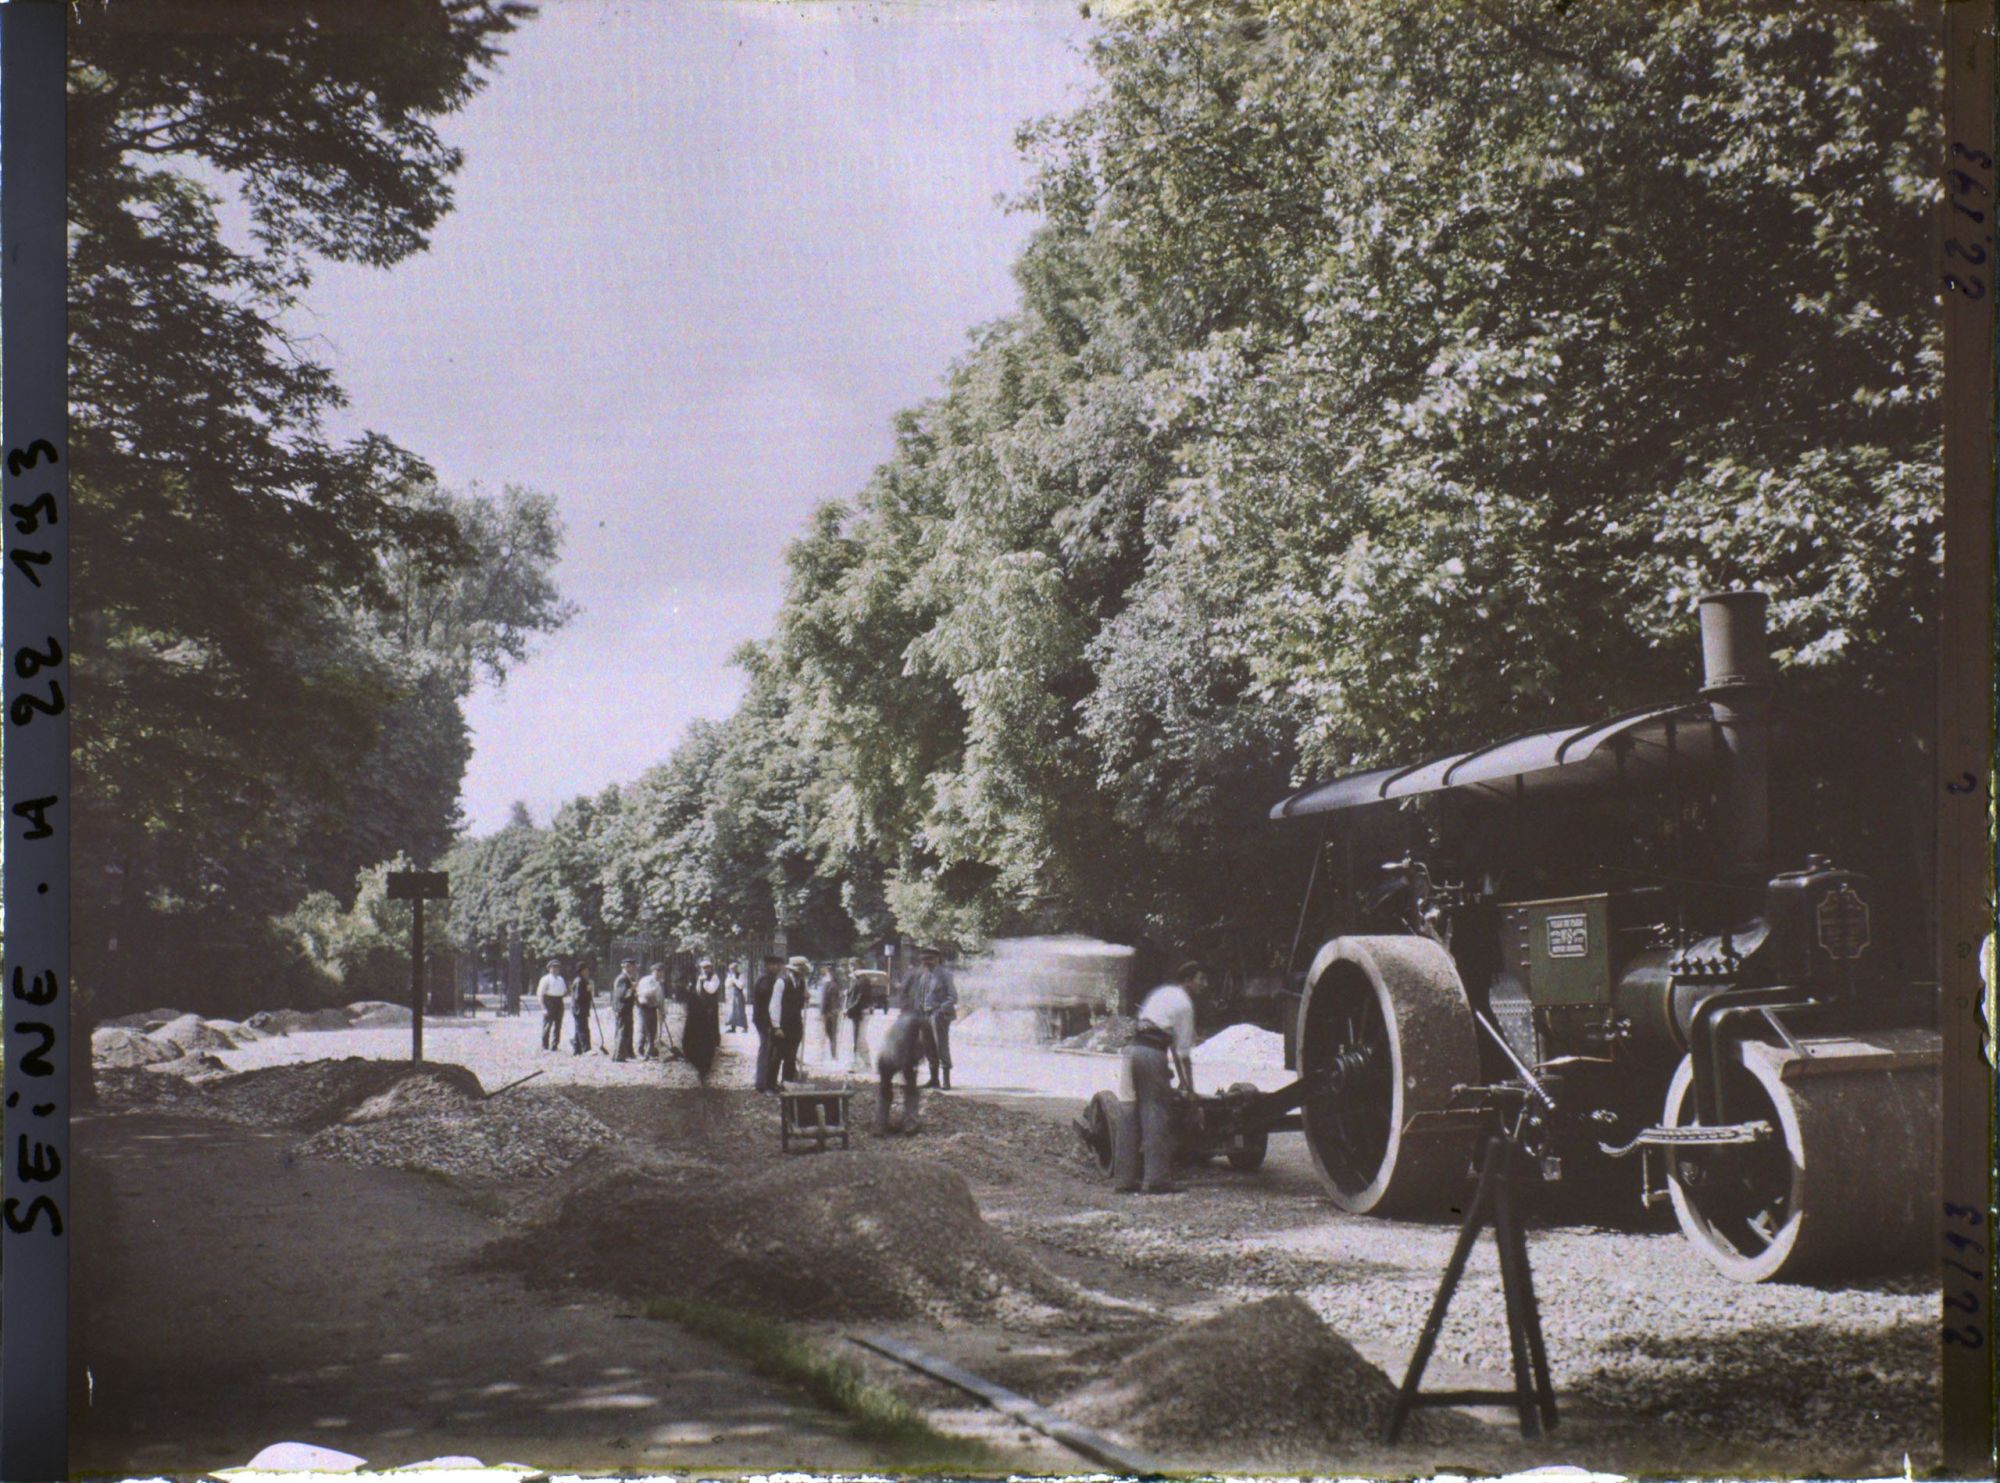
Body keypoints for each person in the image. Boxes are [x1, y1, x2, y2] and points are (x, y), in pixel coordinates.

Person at [1115, 960, 1207, 1195]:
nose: (1203, 984)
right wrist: (1191, 1090)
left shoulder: (1163, 993)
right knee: (1156, 1113)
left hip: (1132, 1051)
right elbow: (1183, 1052)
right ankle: (1156, 1181)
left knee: (1129, 1114)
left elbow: (1173, 1047)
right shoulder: (1185, 1005)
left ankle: (1125, 1180)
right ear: (1187, 980)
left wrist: (1184, 1083)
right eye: (1200, 979)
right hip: (1151, 1053)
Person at [874, 970, 929, 1136]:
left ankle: (879, 1124)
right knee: (911, 1088)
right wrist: (913, 1061)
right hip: (900, 1056)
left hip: (884, 1057)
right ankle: (910, 1123)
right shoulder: (916, 1018)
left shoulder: (903, 1015)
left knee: (885, 1089)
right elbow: (914, 1045)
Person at [911, 946, 959, 1090]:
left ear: (937, 959)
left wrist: (940, 1009)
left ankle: (946, 1080)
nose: (927, 962)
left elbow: (953, 997)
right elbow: (919, 996)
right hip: (924, 1015)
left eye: (930, 959)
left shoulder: (945, 975)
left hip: (939, 1015)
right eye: (924, 959)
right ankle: (934, 1079)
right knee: (928, 1046)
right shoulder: (924, 976)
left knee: (941, 1046)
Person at [683, 959, 723, 1078]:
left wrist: (704, 981)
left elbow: (712, 989)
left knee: (712, 1023)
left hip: (711, 1004)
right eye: (703, 967)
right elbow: (698, 990)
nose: (705, 970)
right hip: (702, 1004)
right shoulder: (701, 977)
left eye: (707, 967)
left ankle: (714, 1043)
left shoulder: (714, 977)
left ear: (710, 967)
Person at [750, 954, 784, 1092]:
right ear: (767, 965)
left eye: (779, 965)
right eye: (774, 964)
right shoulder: (765, 980)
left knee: (768, 1050)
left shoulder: (769, 979)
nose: (777, 967)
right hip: (764, 1020)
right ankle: (762, 1083)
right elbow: (769, 1002)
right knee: (767, 1050)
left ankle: (764, 1081)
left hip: (764, 1019)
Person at [778, 956, 811, 1083]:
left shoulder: (801, 983)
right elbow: (775, 1005)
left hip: (796, 1022)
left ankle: (789, 1079)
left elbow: (802, 1005)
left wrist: (805, 999)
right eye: (800, 972)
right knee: (784, 1054)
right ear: (793, 971)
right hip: (784, 1023)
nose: (802, 975)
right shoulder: (782, 982)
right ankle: (784, 1079)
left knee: (792, 1053)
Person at [535, 957, 568, 1052]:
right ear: (549, 968)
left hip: (559, 1001)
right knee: (547, 1025)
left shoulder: (561, 979)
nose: (555, 969)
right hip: (549, 1001)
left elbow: (564, 991)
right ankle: (545, 1046)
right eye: (553, 967)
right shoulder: (545, 979)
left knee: (558, 1025)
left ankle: (555, 1046)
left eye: (557, 967)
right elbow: (540, 994)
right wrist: (543, 1008)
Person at [844, 968, 874, 1070]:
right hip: (856, 1013)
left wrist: (849, 1009)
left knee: (859, 1039)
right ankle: (864, 1063)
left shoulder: (862, 982)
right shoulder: (855, 981)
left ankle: (862, 1064)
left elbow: (859, 998)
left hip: (859, 1013)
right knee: (858, 1039)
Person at [635, 961, 666, 1057]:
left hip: (653, 1008)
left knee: (653, 1030)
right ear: (653, 971)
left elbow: (661, 998)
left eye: (662, 972)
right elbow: (644, 994)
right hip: (644, 1007)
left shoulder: (660, 983)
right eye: (658, 971)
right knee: (645, 1029)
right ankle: (641, 1049)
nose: (660, 973)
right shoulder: (646, 980)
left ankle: (650, 1050)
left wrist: (662, 1011)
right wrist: (655, 989)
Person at [611, 958, 639, 1062]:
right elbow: (622, 995)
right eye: (632, 966)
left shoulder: (626, 977)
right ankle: (619, 1056)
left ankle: (625, 1053)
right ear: (627, 967)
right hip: (622, 1008)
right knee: (622, 1030)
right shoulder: (623, 978)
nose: (634, 968)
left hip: (625, 1008)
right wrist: (632, 988)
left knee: (626, 1030)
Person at [816, 963, 844, 1065]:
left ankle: (826, 1055)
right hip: (833, 1011)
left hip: (829, 1012)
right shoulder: (835, 983)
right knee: (831, 1035)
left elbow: (824, 999)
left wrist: (822, 1013)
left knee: (826, 1034)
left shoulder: (827, 982)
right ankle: (832, 1055)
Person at [570, 960, 596, 1055]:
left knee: (579, 1028)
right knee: (583, 1029)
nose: (587, 971)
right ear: (581, 971)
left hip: (582, 1008)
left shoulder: (583, 980)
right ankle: (587, 1049)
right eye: (586, 970)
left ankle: (577, 1049)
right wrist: (588, 991)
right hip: (579, 1009)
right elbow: (578, 997)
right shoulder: (579, 981)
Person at [725, 962, 748, 1033]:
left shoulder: (741, 975)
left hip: (739, 995)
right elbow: (727, 985)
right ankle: (733, 1027)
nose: (731, 970)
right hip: (731, 994)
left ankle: (745, 1027)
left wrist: (734, 980)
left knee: (740, 1011)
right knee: (732, 1011)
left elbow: (741, 985)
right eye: (730, 969)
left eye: (733, 969)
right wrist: (731, 980)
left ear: (736, 968)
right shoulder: (729, 976)